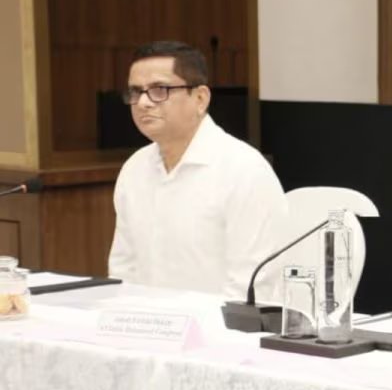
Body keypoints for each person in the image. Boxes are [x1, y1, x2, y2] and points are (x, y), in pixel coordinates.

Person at [108, 40, 287, 300]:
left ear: (200, 98)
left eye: (159, 90)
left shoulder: (244, 170)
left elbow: (251, 286)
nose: (144, 102)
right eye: (136, 92)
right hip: (146, 329)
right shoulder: (134, 168)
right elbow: (124, 268)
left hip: (220, 334)